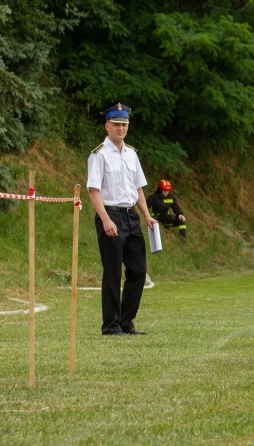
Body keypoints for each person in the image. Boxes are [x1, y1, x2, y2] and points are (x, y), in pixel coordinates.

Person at [87, 103, 156, 335]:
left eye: (124, 125)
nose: (120, 128)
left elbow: (138, 188)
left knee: (138, 270)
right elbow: (94, 190)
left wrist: (146, 215)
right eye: (116, 124)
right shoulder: (99, 155)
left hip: (131, 216)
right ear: (107, 126)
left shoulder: (132, 154)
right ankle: (111, 325)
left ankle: (126, 321)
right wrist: (105, 219)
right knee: (113, 272)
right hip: (111, 215)